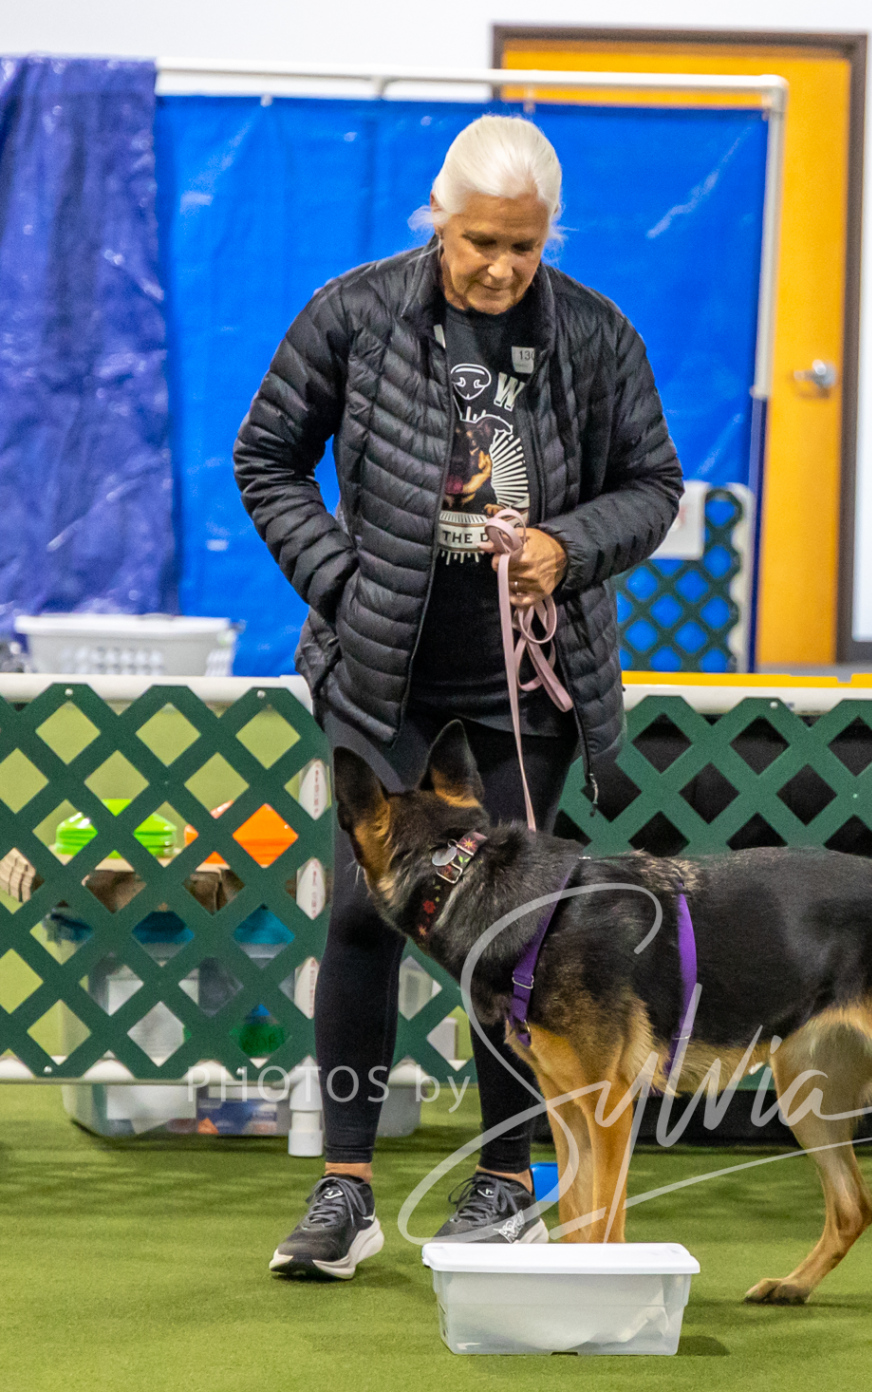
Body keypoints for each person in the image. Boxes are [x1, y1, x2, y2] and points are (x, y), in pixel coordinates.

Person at [234, 114, 682, 1277]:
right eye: (481, 241)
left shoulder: (595, 333)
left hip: (524, 685)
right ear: (439, 220)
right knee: (358, 915)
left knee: (517, 937)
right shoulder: (352, 312)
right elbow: (266, 457)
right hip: (381, 676)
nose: (500, 267)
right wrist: (342, 585)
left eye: (523, 247)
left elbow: (652, 483)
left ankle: (504, 1180)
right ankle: (344, 1190)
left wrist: (567, 549)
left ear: (549, 236)